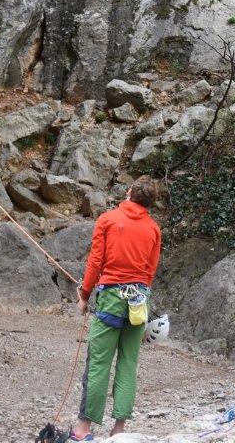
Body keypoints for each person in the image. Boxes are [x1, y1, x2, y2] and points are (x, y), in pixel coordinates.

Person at [71, 176, 161, 441]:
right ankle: (119, 429)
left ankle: (84, 429)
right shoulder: (154, 229)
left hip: (110, 296)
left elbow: (95, 261)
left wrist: (84, 295)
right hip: (139, 300)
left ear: (129, 192)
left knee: (99, 362)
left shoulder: (108, 220)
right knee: (128, 362)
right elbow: (150, 271)